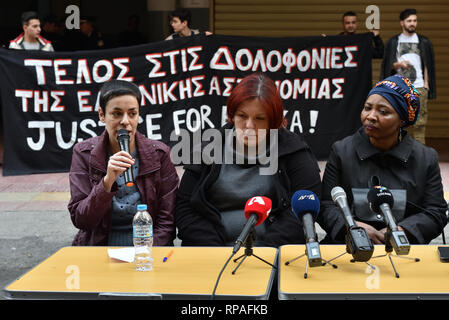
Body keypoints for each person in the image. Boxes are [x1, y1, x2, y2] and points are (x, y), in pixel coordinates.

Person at [175, 73, 322, 247]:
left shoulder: (295, 152)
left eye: (259, 118)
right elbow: (185, 208)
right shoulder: (206, 148)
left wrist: (264, 253)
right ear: (232, 115)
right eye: (242, 116)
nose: (249, 126)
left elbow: (302, 212)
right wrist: (216, 252)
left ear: (273, 121)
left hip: (274, 254)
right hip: (212, 254)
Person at [318, 75, 447, 245]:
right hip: (347, 246)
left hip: (405, 250)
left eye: (383, 111)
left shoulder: (426, 158)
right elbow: (326, 205)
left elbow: (436, 212)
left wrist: (403, 230)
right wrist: (352, 227)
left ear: (402, 119)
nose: (371, 116)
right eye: (367, 108)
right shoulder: (341, 151)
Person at [68, 80, 179, 246]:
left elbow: (167, 220)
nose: (125, 121)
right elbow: (81, 219)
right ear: (101, 115)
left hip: (148, 248)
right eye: (117, 114)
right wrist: (107, 183)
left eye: (132, 113)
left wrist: (146, 254)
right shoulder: (84, 153)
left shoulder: (159, 154)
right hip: (100, 247)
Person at [381, 8, 436, 145]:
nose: (412, 23)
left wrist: (426, 85)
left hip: (419, 86)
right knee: (397, 120)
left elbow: (428, 64)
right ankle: (398, 150)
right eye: (409, 21)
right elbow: (387, 65)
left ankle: (420, 153)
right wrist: (399, 64)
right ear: (402, 23)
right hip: (400, 87)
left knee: (420, 123)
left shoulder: (424, 42)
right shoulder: (394, 41)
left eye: (415, 21)